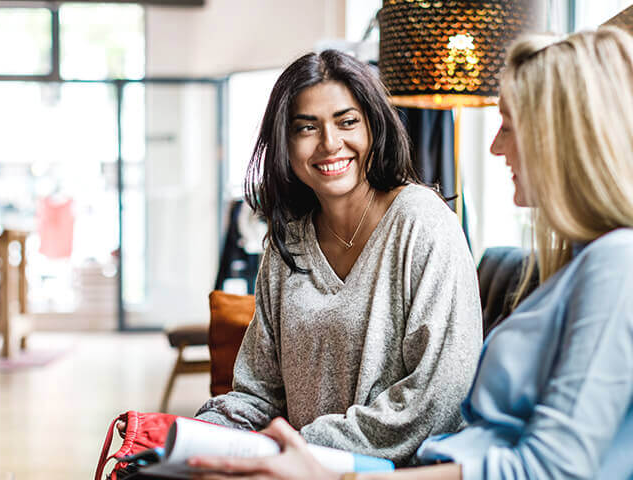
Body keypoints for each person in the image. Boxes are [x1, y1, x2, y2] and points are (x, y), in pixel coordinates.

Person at [187, 27, 633, 480]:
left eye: (509, 124)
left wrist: (327, 468)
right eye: (307, 127)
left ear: (565, 137)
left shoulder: (622, 266)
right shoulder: (587, 264)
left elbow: (547, 467)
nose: (495, 147)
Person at [192, 49, 483, 467]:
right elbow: (258, 392)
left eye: (347, 122)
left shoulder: (423, 223)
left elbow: (438, 403)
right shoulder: (287, 240)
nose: (330, 144)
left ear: (373, 127)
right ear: (284, 143)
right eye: (306, 128)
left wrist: (295, 447)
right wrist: (202, 435)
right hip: (297, 469)